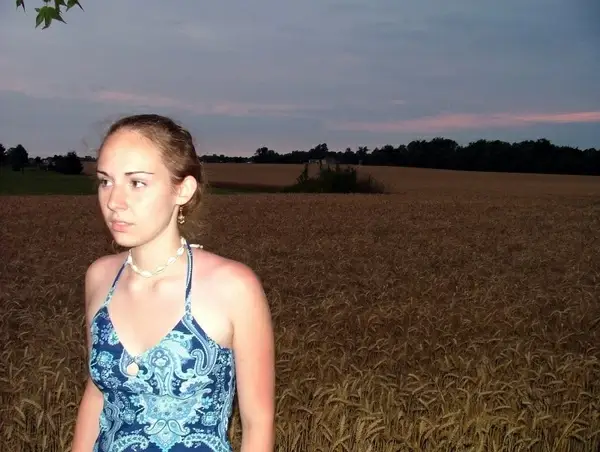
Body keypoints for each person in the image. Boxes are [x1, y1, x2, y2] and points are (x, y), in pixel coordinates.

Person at [71, 114, 276, 452]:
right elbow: (97, 392)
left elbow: (258, 424)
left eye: (137, 182)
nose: (113, 201)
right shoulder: (99, 277)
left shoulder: (232, 287)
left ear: (182, 189)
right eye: (105, 181)